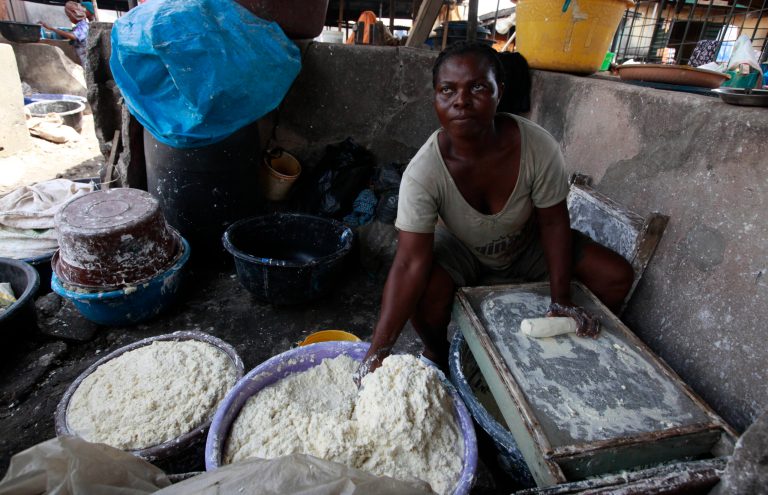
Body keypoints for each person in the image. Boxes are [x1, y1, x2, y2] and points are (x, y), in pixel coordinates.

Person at [357, 42, 634, 379]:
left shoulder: (537, 146)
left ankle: (575, 347)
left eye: (477, 87)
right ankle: (439, 354)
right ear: (435, 98)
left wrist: (561, 298)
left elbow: (553, 224)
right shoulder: (424, 172)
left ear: (498, 92)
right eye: (448, 90)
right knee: (424, 292)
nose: (461, 100)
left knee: (615, 276)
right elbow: (409, 263)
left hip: (526, 243)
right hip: (462, 250)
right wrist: (377, 353)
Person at [39, 1, 90, 69]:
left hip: (87, 61)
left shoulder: (83, 25)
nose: (69, 18)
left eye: (69, 16)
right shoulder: (79, 26)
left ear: (74, 14)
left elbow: (73, 36)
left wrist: (51, 28)